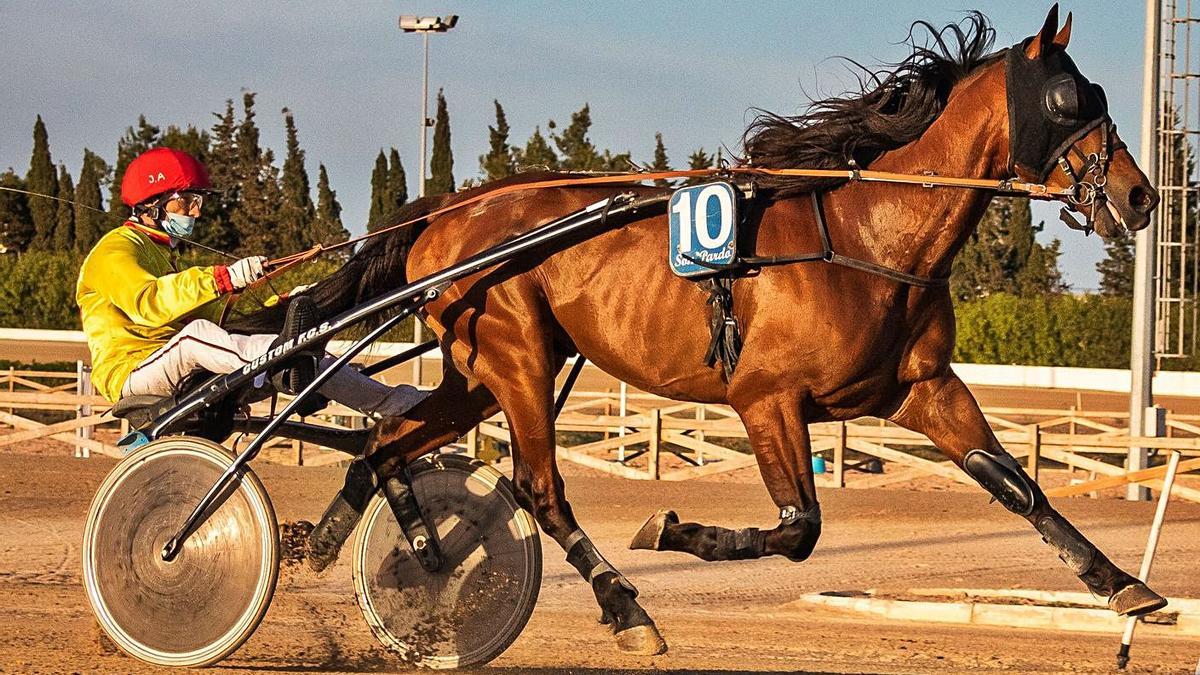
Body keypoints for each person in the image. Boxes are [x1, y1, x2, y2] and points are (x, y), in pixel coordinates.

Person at [76, 147, 424, 417]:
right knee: (200, 336)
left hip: (167, 362)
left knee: (303, 351)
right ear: (152, 205)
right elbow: (149, 303)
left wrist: (282, 302)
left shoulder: (164, 252)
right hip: (130, 373)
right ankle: (276, 363)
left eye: (197, 202)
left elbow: (215, 317)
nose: (195, 212)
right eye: (186, 202)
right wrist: (223, 277)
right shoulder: (113, 250)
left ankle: (398, 404)